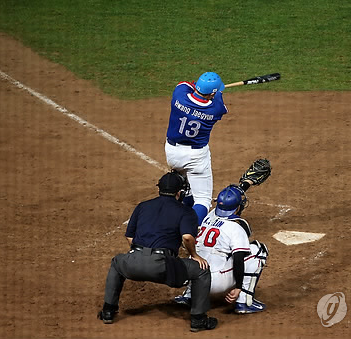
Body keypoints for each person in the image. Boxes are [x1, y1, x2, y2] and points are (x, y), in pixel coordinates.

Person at [97, 171, 217, 332]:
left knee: (117, 263)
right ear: (179, 193)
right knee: (201, 271)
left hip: (133, 263)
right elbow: (188, 237)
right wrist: (195, 255)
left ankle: (108, 311)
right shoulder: (185, 211)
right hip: (162, 267)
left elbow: (130, 237)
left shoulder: (143, 206)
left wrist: (141, 256)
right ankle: (198, 319)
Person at [174, 159, 272, 314]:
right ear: (238, 207)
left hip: (197, 278)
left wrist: (246, 183)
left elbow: (229, 204)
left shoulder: (208, 216)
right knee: (258, 250)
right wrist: (238, 287)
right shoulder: (238, 227)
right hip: (216, 283)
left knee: (202, 254)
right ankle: (244, 301)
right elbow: (239, 259)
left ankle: (189, 295)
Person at [164, 72, 228, 225]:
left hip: (172, 153)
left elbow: (186, 83)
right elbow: (220, 102)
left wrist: (206, 90)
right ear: (212, 93)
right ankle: (189, 231)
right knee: (203, 200)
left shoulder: (179, 95)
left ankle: (174, 215)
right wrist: (217, 92)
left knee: (186, 189)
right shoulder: (216, 109)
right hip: (196, 157)